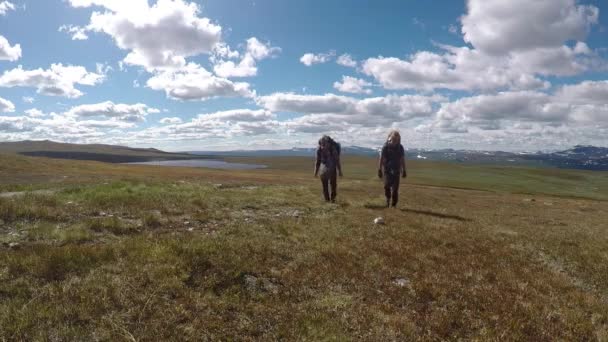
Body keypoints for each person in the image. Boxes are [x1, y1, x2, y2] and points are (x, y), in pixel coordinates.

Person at [378, 130, 407, 207]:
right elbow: (381, 158)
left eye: (396, 140)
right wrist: (379, 169)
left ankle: (394, 205)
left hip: (397, 170)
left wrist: (404, 170)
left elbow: (402, 159)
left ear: (398, 140)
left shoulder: (400, 148)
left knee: (395, 189)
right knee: (386, 186)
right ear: (389, 138)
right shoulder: (385, 147)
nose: (394, 142)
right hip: (387, 170)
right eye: (393, 139)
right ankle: (388, 199)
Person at [314, 135, 343, 202]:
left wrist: (339, 171)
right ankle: (327, 200)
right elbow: (317, 161)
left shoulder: (333, 149)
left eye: (324, 144)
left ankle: (333, 200)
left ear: (328, 143)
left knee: (333, 185)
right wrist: (315, 172)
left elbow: (337, 160)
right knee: (325, 185)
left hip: (332, 168)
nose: (323, 146)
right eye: (322, 144)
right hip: (323, 168)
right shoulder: (319, 150)